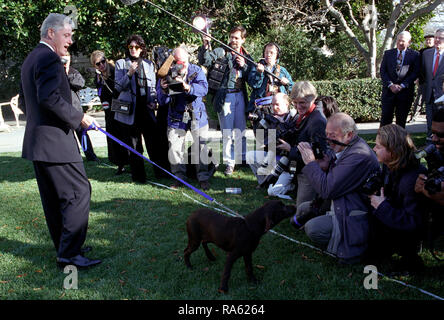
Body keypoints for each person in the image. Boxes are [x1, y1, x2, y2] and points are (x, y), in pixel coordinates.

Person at [18, 13, 101, 269]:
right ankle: (69, 255)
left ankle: (67, 248)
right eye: (66, 35)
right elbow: (49, 98)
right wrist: (80, 118)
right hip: (56, 144)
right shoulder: (49, 58)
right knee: (78, 193)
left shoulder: (32, 58)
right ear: (51, 33)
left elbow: (24, 102)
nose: (70, 41)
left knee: (55, 199)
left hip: (39, 143)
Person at [294, 113, 380, 263]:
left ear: (349, 135)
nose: (328, 141)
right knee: (302, 208)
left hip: (350, 210)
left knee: (313, 229)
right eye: (326, 134)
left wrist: (311, 163)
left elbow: (327, 189)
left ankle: (344, 244)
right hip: (339, 203)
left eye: (332, 135)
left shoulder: (359, 155)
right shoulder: (346, 147)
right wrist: (326, 167)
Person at [367, 124, 427, 273]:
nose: (374, 149)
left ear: (393, 151)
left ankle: (409, 259)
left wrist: (382, 207)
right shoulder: (392, 166)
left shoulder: (411, 179)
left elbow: (414, 222)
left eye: (379, 146)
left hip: (410, 232)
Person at [198, 25, 255, 176]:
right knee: (227, 131)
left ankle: (242, 159)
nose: (233, 40)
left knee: (241, 130)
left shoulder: (247, 56)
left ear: (243, 39)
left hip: (240, 95)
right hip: (225, 95)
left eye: (237, 38)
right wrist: (205, 45)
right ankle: (230, 162)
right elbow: (206, 60)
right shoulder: (221, 51)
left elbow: (252, 78)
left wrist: (245, 66)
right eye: (232, 37)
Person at [114, 34, 170, 183]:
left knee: (154, 143)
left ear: (141, 49)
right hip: (130, 111)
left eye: (136, 47)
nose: (133, 50)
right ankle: (138, 177)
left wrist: (154, 101)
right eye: (130, 47)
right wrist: (129, 73)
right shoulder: (121, 64)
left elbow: (152, 87)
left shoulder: (149, 64)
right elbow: (118, 87)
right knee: (134, 146)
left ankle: (160, 173)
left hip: (146, 109)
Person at [157, 47, 212, 190]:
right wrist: (163, 90)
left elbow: (204, 89)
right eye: (178, 62)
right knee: (175, 148)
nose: (181, 65)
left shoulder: (197, 71)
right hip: (176, 117)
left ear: (188, 59)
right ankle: (178, 178)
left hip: (197, 115)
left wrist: (188, 87)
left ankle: (203, 178)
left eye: (183, 61)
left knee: (201, 146)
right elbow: (161, 101)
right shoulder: (166, 73)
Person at [275, 81, 327, 207]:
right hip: (300, 169)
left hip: (308, 174)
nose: (298, 106)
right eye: (295, 102)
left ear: (313, 99)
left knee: (302, 213)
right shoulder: (304, 115)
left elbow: (319, 157)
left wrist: (290, 149)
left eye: (302, 102)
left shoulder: (317, 121)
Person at [246, 92, 295, 195]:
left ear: (286, 104)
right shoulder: (269, 118)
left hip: (288, 163)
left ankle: (291, 185)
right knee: (250, 155)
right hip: (273, 157)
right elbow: (261, 140)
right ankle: (264, 182)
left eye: (277, 104)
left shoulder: (294, 118)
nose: (274, 107)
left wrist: (281, 125)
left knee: (274, 192)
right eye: (272, 104)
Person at [90, 50, 129, 175]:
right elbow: (100, 92)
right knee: (113, 137)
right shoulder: (98, 77)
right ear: (94, 66)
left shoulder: (115, 72)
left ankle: (130, 162)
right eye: (98, 64)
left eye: (103, 61)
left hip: (119, 107)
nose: (102, 65)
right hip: (108, 110)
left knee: (124, 135)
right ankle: (120, 164)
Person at [61, 53, 98, 162]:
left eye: (67, 57)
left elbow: (80, 83)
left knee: (82, 133)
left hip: (76, 109)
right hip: (64, 110)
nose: (65, 59)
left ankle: (91, 156)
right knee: (68, 136)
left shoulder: (73, 72)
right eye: (63, 57)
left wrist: (67, 73)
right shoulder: (56, 73)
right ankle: (74, 157)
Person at [380, 31, 420, 128]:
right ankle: (383, 141)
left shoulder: (415, 55)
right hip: (388, 92)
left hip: (405, 93)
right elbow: (383, 71)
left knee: (401, 121)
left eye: (403, 41)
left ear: (409, 42)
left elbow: (415, 73)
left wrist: (402, 86)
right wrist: (390, 85)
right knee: (385, 120)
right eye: (398, 40)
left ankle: (400, 142)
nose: (400, 43)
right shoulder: (388, 54)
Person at [247, 42, 293, 111]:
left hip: (279, 107)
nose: (268, 55)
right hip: (261, 107)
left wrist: (287, 83)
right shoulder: (256, 68)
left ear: (277, 55)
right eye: (266, 52)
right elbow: (254, 85)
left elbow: (291, 88)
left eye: (271, 53)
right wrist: (259, 73)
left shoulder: (282, 71)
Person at [421, 29, 444, 137]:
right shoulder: (426, 54)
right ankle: (430, 146)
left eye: (441, 38)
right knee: (430, 124)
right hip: (429, 95)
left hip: (442, 96)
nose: (437, 40)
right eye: (436, 37)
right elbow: (422, 74)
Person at [410, 34, 436, 122]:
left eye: (430, 40)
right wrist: (417, 78)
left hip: (435, 81)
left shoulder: (438, 51)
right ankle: (414, 116)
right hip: (423, 80)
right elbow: (418, 66)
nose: (428, 42)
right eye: (427, 40)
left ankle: (434, 118)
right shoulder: (422, 52)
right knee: (419, 100)